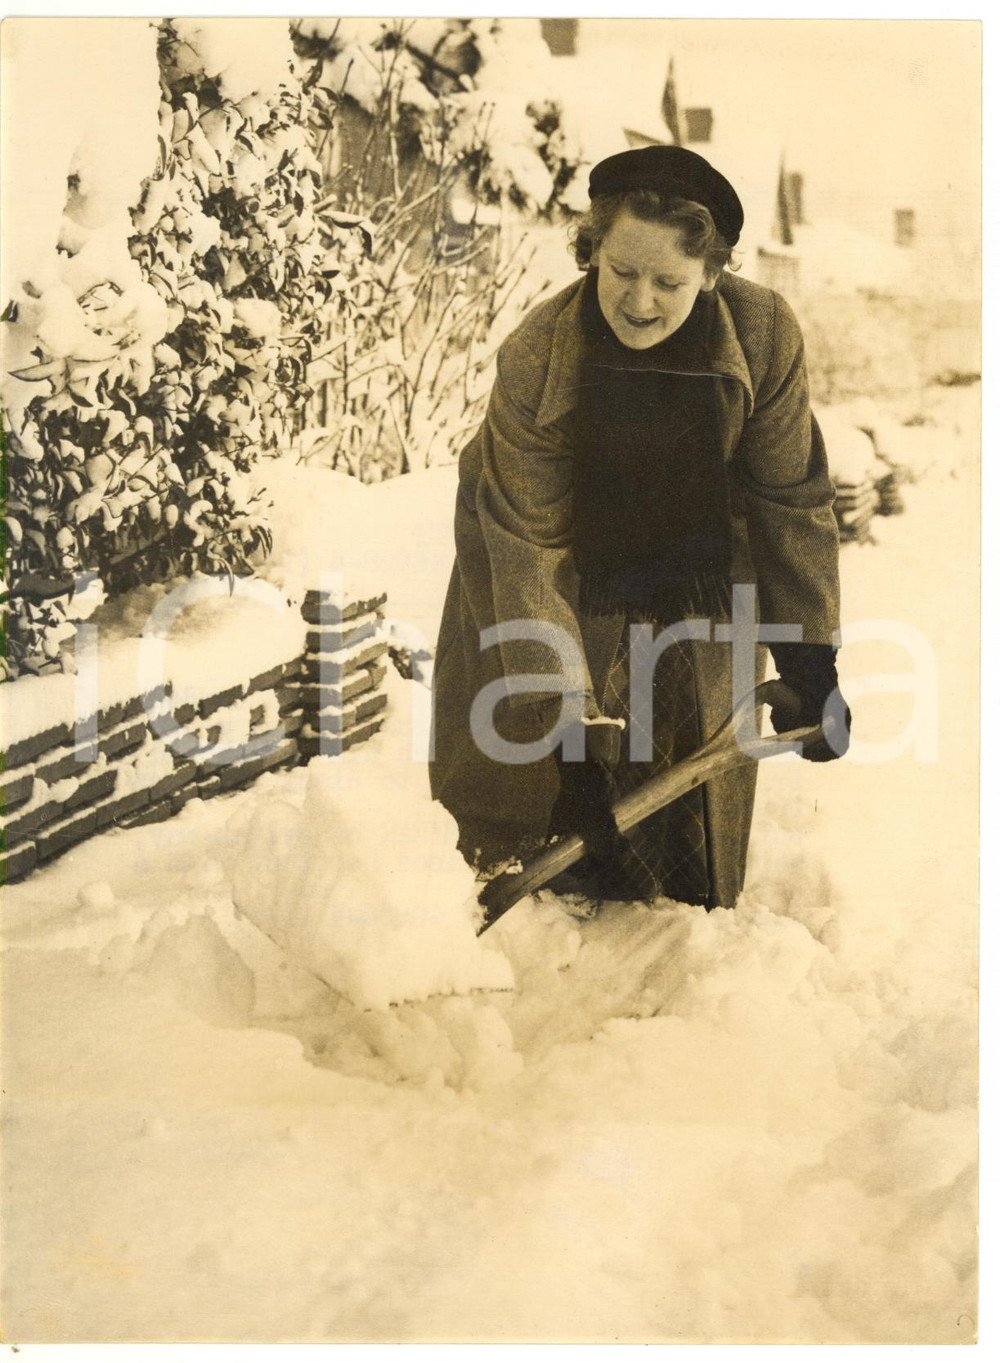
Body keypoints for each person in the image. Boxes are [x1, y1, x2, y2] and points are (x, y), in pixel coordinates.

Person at [430, 145, 849, 909]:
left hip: (698, 565)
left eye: (670, 282)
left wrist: (810, 659)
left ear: (713, 274)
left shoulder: (761, 336)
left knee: (684, 843)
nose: (641, 302)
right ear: (591, 249)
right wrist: (567, 740)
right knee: (539, 798)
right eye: (621, 271)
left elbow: (789, 498)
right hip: (547, 571)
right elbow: (529, 547)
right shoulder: (537, 356)